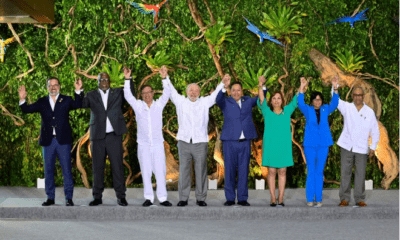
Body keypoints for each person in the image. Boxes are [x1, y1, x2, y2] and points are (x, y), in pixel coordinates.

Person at [18, 77, 83, 206]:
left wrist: (78, 90)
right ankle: (50, 198)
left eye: (55, 85)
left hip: (63, 141)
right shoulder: (42, 101)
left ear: (59, 86)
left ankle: (68, 198)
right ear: (47, 87)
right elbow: (26, 109)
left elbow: (78, 104)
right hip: (48, 142)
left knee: (67, 170)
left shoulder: (67, 99)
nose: (53, 87)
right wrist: (22, 99)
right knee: (48, 170)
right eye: (50, 85)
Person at [168, 74, 227, 207]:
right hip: (184, 142)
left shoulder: (205, 102)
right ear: (186, 92)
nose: (193, 93)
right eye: (191, 90)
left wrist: (222, 83)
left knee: (201, 170)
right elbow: (171, 90)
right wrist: (165, 78)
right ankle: (183, 198)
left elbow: (214, 95)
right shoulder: (180, 101)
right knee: (184, 171)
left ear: (200, 93)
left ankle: (201, 198)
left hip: (200, 142)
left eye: (196, 90)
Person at [81, 72, 134, 207]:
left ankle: (121, 197)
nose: (104, 82)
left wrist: (128, 78)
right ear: (97, 81)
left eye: (106, 79)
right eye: (101, 79)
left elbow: (131, 94)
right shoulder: (91, 95)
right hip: (97, 137)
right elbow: (81, 104)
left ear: (110, 81)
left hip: (114, 136)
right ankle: (97, 197)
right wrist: (79, 90)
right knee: (97, 168)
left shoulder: (118, 93)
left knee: (117, 167)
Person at [123, 66, 172, 207]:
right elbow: (128, 96)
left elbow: (167, 93)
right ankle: (149, 198)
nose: (146, 95)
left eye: (148, 93)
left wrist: (164, 77)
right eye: (144, 93)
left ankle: (163, 198)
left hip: (157, 144)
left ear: (152, 93)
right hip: (143, 145)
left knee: (160, 171)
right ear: (142, 95)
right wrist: (127, 79)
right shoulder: (138, 106)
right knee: (145, 171)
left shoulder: (158, 105)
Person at [216, 75, 267, 206]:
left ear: (242, 91)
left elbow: (261, 98)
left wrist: (262, 85)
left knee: (244, 169)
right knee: (229, 170)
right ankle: (230, 198)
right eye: (234, 90)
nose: (236, 92)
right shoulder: (225, 102)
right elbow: (218, 98)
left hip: (244, 142)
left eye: (239, 90)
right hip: (229, 142)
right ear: (230, 91)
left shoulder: (248, 101)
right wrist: (223, 86)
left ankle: (243, 198)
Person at [334, 80, 380, 207]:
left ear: (363, 96)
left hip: (362, 148)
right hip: (346, 145)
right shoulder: (347, 107)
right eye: (355, 95)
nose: (357, 97)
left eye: (360, 95)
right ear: (352, 96)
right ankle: (344, 198)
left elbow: (375, 131)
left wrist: (373, 147)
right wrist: (335, 87)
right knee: (345, 172)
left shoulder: (369, 112)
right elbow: (336, 101)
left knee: (360, 174)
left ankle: (359, 198)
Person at [298, 77, 339, 207]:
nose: (317, 101)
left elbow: (335, 103)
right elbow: (299, 102)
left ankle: (319, 199)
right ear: (312, 101)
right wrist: (302, 87)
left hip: (323, 144)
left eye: (319, 99)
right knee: (311, 171)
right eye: (315, 99)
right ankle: (310, 198)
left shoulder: (326, 109)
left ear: (322, 101)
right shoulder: (308, 110)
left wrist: (335, 87)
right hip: (310, 144)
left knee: (320, 171)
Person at [257, 81, 298, 207]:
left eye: (278, 98)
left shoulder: (287, 111)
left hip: (284, 147)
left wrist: (301, 86)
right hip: (270, 147)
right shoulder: (266, 111)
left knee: (282, 172)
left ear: (282, 100)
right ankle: (273, 198)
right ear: (271, 101)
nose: (276, 100)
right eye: (274, 98)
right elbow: (261, 98)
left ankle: (281, 198)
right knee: (272, 172)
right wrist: (260, 84)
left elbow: (296, 100)